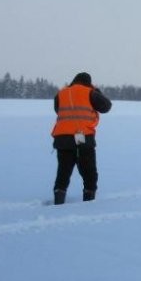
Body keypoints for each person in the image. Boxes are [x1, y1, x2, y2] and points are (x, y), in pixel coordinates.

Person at [51, 72, 112, 205]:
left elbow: (58, 109)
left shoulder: (61, 94)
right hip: (82, 138)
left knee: (63, 172)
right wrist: (96, 91)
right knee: (89, 172)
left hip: (62, 139)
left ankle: (58, 200)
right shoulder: (90, 92)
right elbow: (106, 106)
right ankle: (88, 202)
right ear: (88, 83)